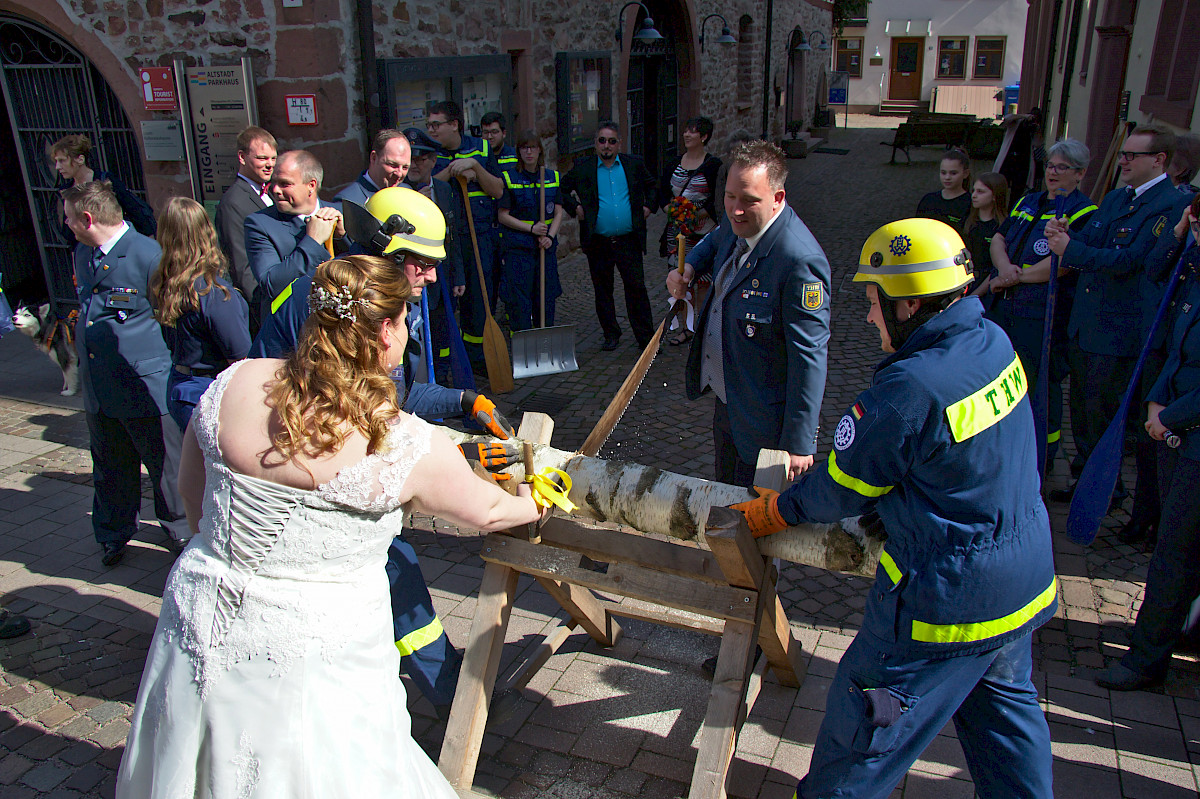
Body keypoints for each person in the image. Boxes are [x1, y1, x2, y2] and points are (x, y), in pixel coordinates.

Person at [115, 255, 543, 797]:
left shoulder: (235, 382)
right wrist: (535, 500)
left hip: (202, 611)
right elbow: (488, 511)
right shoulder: (406, 443)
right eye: (406, 320)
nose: (408, 334)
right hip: (317, 649)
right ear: (386, 330)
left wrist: (229, 558)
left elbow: (191, 496)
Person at [731, 217, 1056, 798]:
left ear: (910, 307)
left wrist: (776, 512)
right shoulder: (993, 342)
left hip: (943, 602)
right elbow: (968, 459)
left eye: (876, 301)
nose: (868, 314)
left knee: (860, 742)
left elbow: (839, 486)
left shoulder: (910, 387)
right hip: (1021, 583)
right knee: (1007, 731)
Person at [249, 186, 516, 711]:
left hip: (313, 456)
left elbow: (384, 394)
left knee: (393, 572)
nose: (433, 277)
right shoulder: (340, 312)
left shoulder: (363, 296)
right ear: (388, 251)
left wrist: (464, 399)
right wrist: (455, 462)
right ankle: (447, 694)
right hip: (297, 470)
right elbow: (348, 422)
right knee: (393, 571)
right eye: (422, 264)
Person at [1046, 124, 1191, 517]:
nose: (1123, 161)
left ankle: (1106, 492)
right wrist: (1065, 235)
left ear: (1158, 160)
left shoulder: (1168, 204)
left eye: (1132, 155)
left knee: (1104, 414)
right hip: (1086, 327)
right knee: (1084, 415)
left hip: (1117, 333)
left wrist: (1070, 249)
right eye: (1123, 153)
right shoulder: (1115, 198)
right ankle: (1086, 481)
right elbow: (1093, 241)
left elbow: (1131, 262)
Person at [667, 140, 830, 486]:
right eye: (729, 197)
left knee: (755, 515)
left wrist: (799, 443)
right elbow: (713, 240)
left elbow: (809, 358)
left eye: (749, 201)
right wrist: (689, 269)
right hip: (729, 401)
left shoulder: (799, 262)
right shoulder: (737, 226)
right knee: (725, 494)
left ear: (778, 199)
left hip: (763, 422)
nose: (735, 210)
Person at [1094, 201, 1200, 691]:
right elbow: (1172, 339)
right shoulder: (1193, 268)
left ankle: (1146, 658)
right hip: (1177, 425)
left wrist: (1170, 416)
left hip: (1191, 432)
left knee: (1176, 552)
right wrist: (1157, 401)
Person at [66, 181, 188, 566]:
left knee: (165, 468)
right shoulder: (83, 254)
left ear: (87, 218)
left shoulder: (148, 256)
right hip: (100, 387)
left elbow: (173, 323)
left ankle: (180, 532)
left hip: (143, 387)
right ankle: (113, 532)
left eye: (69, 219)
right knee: (109, 465)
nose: (66, 225)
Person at [985, 140, 1097, 473]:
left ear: (1079, 174)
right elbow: (1000, 238)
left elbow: (1063, 263)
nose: (1053, 171)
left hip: (1042, 315)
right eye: (1050, 165)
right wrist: (1004, 269)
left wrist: (1017, 277)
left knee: (1037, 385)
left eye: (1062, 167)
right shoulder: (1028, 201)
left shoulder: (1082, 212)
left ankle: (1040, 458)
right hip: (1005, 305)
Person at [150, 197, 251, 432]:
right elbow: (240, 358)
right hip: (209, 393)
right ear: (207, 232)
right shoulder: (213, 293)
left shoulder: (163, 283)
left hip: (180, 386)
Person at [561, 122, 657, 351]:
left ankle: (645, 338)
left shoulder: (633, 164)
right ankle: (611, 333)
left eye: (612, 141)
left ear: (619, 144)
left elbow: (652, 186)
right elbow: (562, 188)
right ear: (596, 143)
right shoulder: (584, 167)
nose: (607, 146)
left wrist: (648, 207)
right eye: (602, 141)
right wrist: (575, 207)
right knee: (603, 290)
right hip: (599, 242)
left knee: (636, 288)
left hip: (628, 239)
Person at [427, 100, 504, 366]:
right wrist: (452, 170)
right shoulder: (429, 152)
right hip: (446, 238)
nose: (432, 130)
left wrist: (476, 168)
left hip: (479, 236)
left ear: (454, 125)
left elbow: (497, 190)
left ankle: (477, 357)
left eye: (436, 124)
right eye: (429, 125)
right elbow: (426, 188)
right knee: (446, 302)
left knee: (480, 299)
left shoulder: (481, 148)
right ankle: (449, 359)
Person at [244, 149, 346, 324]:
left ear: (311, 185)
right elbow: (270, 284)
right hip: (293, 329)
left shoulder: (342, 212)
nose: (275, 190)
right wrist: (312, 242)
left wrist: (342, 237)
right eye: (274, 182)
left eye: (285, 184)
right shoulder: (260, 224)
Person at [404, 127, 467, 382]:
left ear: (432, 161)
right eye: (411, 159)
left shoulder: (444, 189)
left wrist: (459, 275)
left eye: (421, 159)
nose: (414, 165)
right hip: (415, 278)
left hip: (442, 276)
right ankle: (421, 381)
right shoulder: (401, 193)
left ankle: (441, 376)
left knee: (442, 331)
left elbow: (454, 236)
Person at [657, 116, 722, 345]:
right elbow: (663, 192)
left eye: (692, 132)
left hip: (703, 232)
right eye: (686, 130)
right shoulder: (674, 163)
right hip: (677, 234)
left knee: (703, 281)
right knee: (681, 280)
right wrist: (673, 211)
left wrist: (693, 214)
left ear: (703, 137)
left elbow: (716, 199)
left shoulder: (713, 166)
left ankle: (702, 326)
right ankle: (685, 327)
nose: (686, 135)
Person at [497, 129, 564, 332]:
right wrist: (532, 229)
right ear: (519, 151)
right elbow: (502, 215)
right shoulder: (510, 178)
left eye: (532, 148)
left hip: (545, 249)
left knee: (546, 298)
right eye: (524, 148)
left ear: (539, 151)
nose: (529, 152)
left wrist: (549, 236)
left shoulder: (552, 177)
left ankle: (545, 341)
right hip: (519, 250)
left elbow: (559, 212)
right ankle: (524, 344)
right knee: (520, 302)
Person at [214, 126, 277, 308]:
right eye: (262, 158)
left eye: (273, 158)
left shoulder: (271, 191)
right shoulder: (234, 202)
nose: (269, 164)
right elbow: (241, 265)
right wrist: (263, 308)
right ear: (242, 157)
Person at [51, 133, 156, 240]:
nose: (57, 167)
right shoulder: (67, 190)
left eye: (62, 160)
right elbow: (70, 231)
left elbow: (133, 208)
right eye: (56, 161)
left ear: (80, 159)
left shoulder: (105, 180)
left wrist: (149, 242)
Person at [334, 128, 412, 206]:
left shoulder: (407, 193)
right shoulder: (348, 201)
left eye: (405, 167)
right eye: (393, 165)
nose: (399, 174)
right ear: (374, 158)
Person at [963, 171, 1008, 298]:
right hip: (965, 281)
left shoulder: (1002, 227)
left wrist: (976, 294)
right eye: (974, 190)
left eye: (981, 192)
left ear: (995, 196)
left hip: (987, 288)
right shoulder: (968, 222)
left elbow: (997, 267)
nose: (974, 195)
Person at [916, 148, 972, 230]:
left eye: (953, 173)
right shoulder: (928, 200)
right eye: (943, 173)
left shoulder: (970, 203)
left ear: (965, 174)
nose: (947, 177)